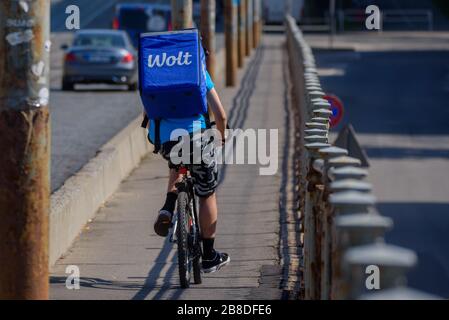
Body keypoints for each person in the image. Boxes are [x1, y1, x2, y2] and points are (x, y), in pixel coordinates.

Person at [143, 70, 230, 274]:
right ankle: (208, 257)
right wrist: (221, 136)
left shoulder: (157, 71)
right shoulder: (199, 72)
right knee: (207, 193)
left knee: (177, 163)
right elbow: (221, 115)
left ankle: (168, 206)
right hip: (197, 138)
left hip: (166, 140)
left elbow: (147, 111)